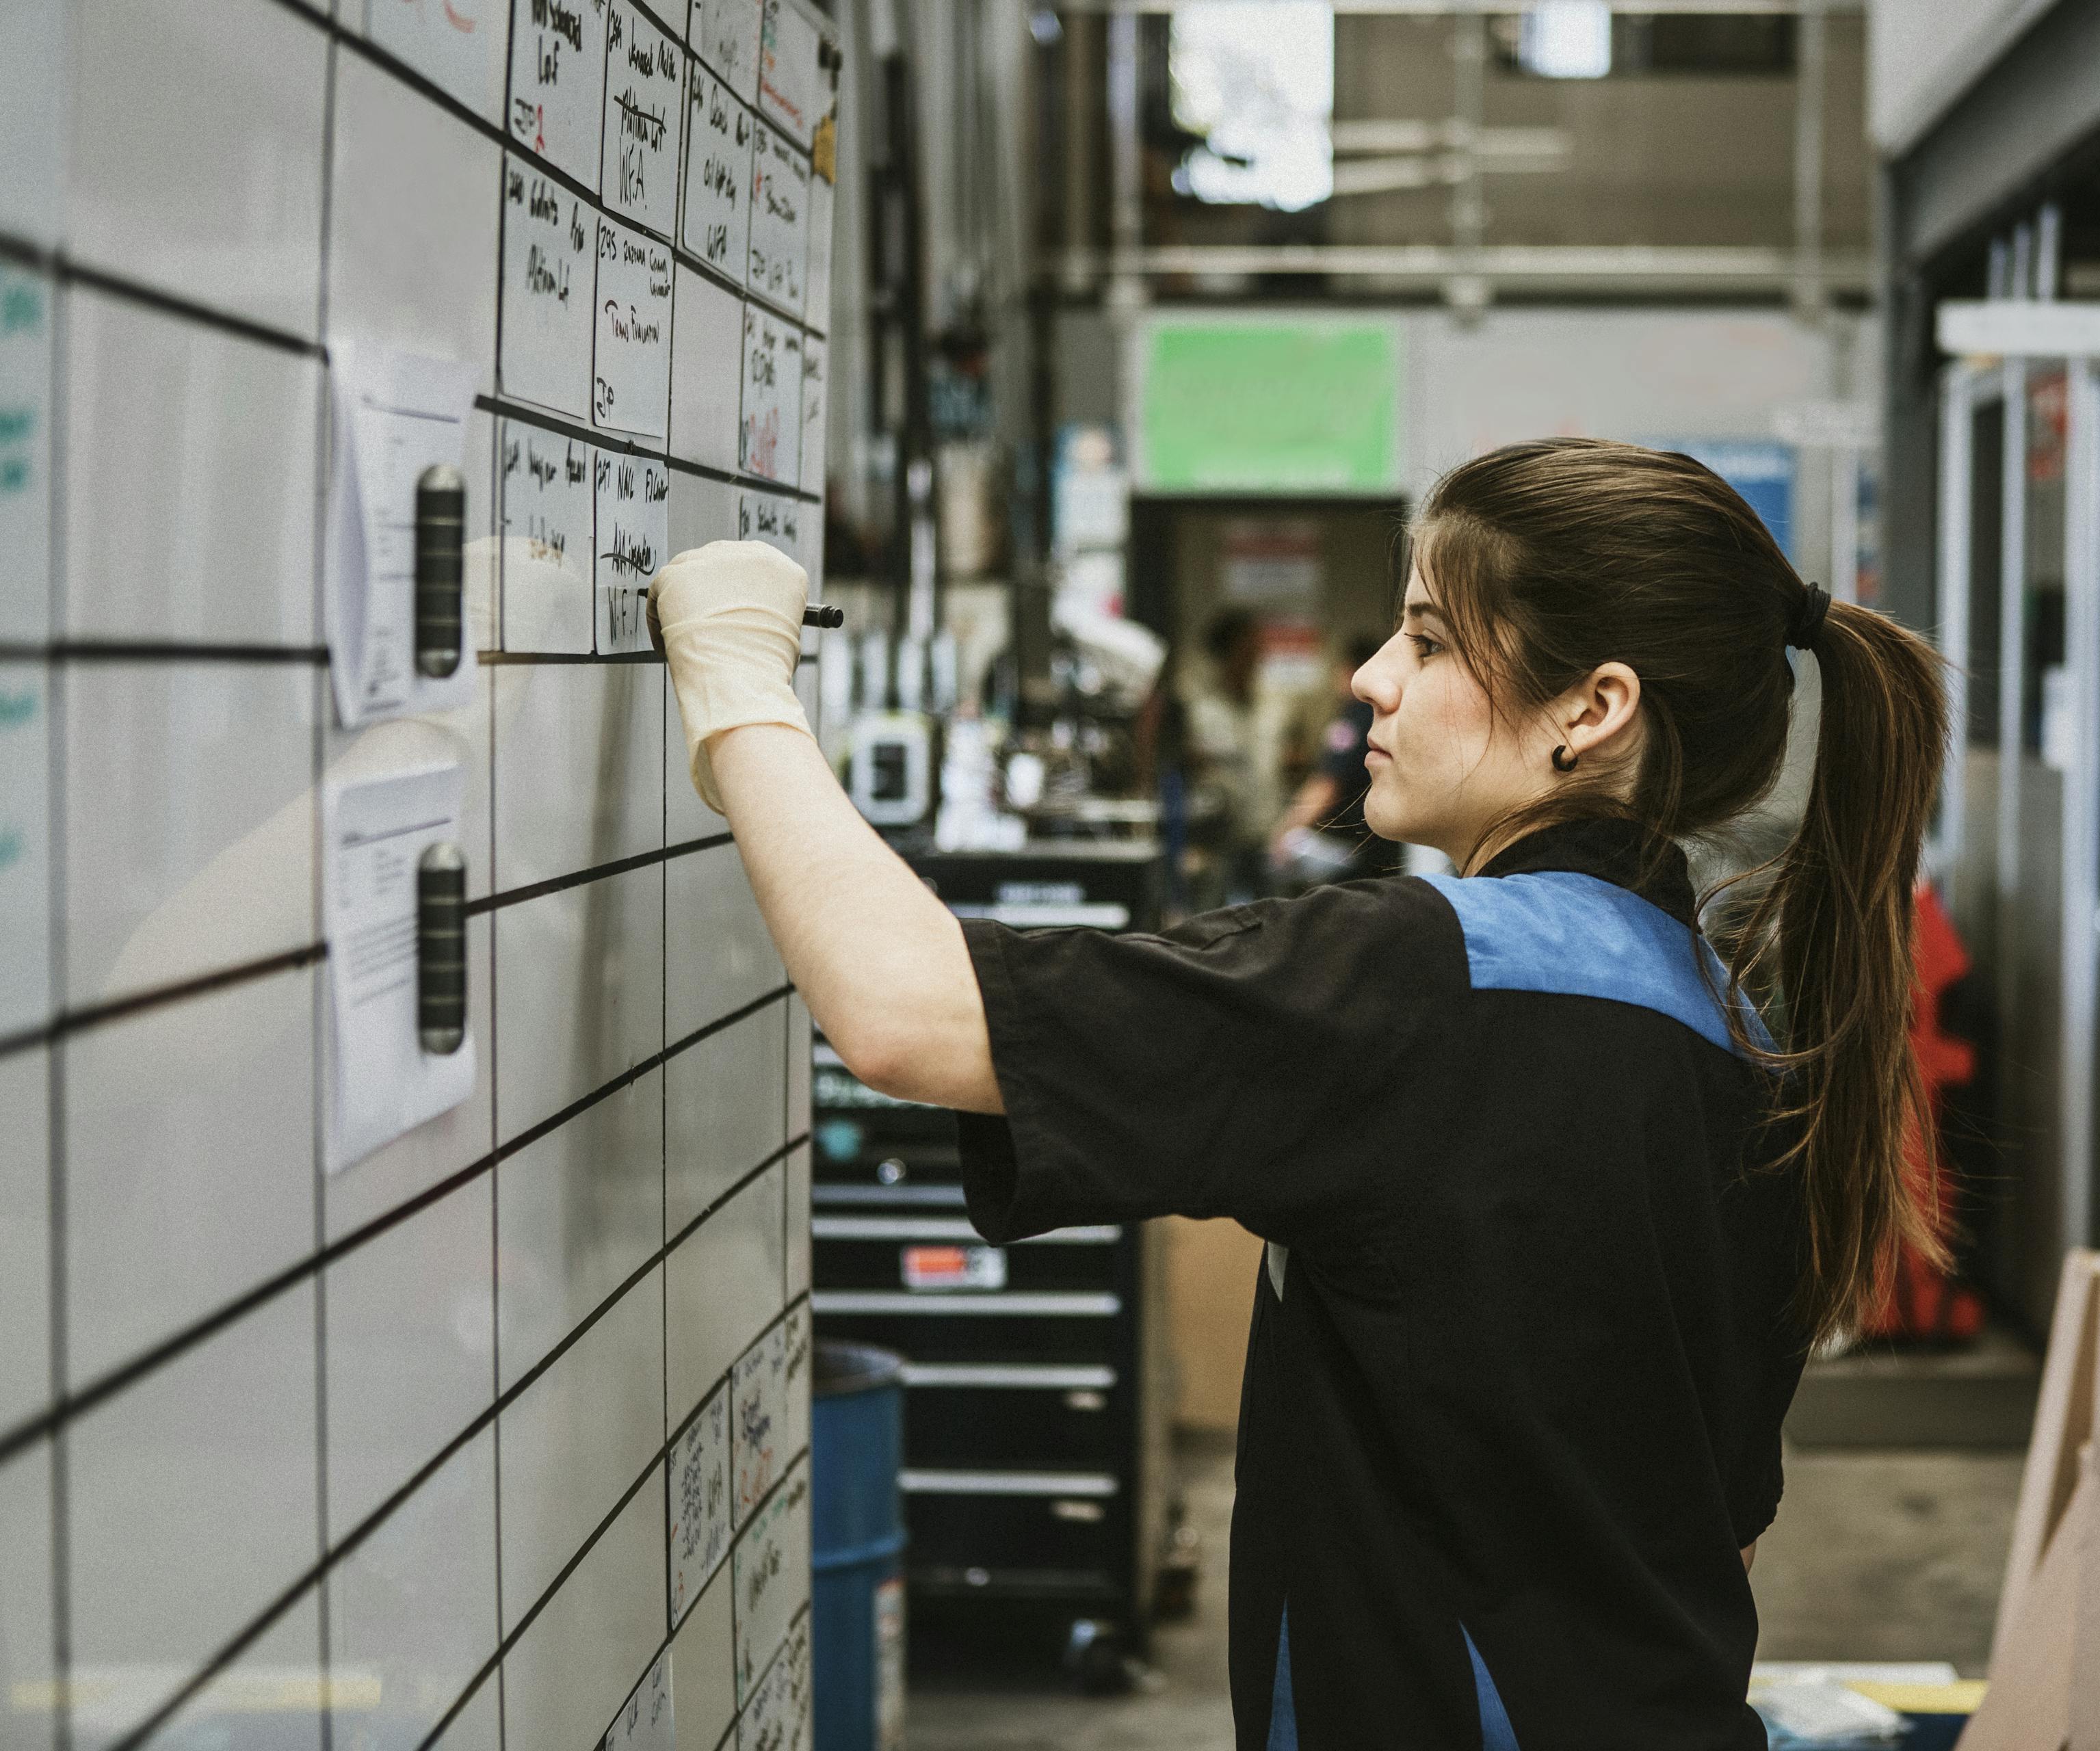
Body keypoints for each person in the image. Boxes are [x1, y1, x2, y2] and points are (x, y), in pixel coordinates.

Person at [648, 436, 1949, 1750]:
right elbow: (1704, 1528)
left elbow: (905, 1011)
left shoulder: (1428, 984)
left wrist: (740, 692)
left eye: (1432, 643)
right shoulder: (1736, 1036)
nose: (1371, 680)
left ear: (1590, 709)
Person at [1266, 629, 1397, 885]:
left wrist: (1284, 831)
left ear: (1353, 672)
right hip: (1383, 847)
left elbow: (1326, 784)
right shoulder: (1385, 716)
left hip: (1351, 853)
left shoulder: (1353, 717)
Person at [1183, 605, 1281, 905]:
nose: (1255, 656)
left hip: (1267, 836)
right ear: (1227, 653)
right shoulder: (1202, 713)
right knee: (1213, 922)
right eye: (1247, 647)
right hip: (1221, 843)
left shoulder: (1272, 708)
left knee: (1275, 921)